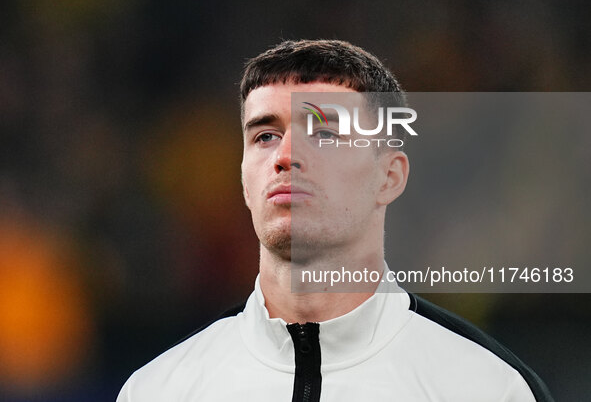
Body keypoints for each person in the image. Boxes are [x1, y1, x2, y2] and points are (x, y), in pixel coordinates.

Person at [117, 40, 553, 401]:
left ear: (390, 177)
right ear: (245, 179)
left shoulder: (490, 389)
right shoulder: (157, 390)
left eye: (324, 134)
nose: (286, 157)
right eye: (265, 136)